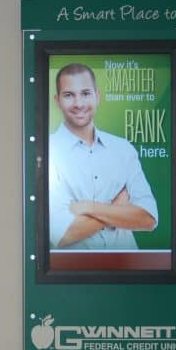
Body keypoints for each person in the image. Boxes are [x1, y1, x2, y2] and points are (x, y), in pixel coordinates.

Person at [49, 63, 157, 250]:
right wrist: (117, 208)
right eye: (69, 95)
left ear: (97, 96)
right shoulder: (48, 150)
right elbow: (63, 234)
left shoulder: (123, 149)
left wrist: (89, 208)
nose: (79, 104)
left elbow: (148, 218)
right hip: (73, 273)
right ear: (57, 100)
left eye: (85, 93)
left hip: (130, 270)